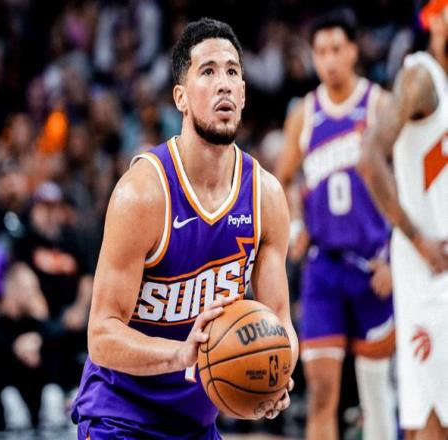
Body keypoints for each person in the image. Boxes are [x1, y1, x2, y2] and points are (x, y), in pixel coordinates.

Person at [72, 17, 298, 439]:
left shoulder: (265, 196)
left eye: (232, 72)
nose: (223, 84)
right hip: (120, 416)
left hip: (196, 423)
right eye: (208, 72)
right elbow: (101, 334)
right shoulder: (142, 194)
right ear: (181, 97)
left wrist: (278, 372)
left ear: (244, 92)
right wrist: (182, 354)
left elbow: (280, 321)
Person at [275, 12, 396, 440]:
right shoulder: (304, 114)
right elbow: (282, 179)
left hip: (372, 266)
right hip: (324, 267)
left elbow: (407, 181)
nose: (328, 59)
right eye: (320, 51)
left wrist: (394, 257)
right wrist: (295, 225)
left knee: (376, 394)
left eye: (336, 49)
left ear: (353, 51)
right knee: (322, 394)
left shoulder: (379, 104)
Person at [358, 1, 448, 438]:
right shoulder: (420, 77)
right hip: (428, 269)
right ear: (436, 18)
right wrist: (416, 238)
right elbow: (370, 157)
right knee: (432, 414)